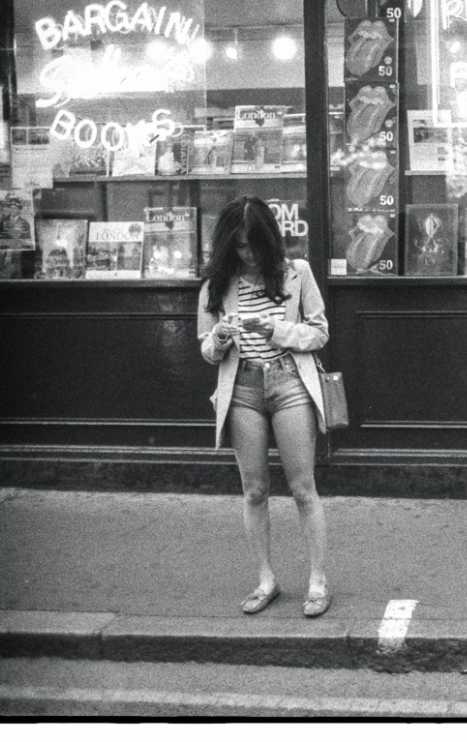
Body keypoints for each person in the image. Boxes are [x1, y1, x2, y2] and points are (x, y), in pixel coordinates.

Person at [198, 195, 333, 618]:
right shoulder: (217, 284)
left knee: (302, 488)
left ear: (270, 239)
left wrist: (277, 329)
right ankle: (266, 579)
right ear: (227, 246)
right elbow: (206, 349)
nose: (249, 254)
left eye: (255, 244)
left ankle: (317, 581)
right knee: (254, 490)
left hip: (289, 381)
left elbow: (320, 332)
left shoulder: (298, 273)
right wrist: (219, 337)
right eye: (239, 246)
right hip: (242, 389)